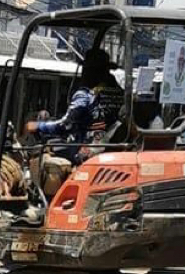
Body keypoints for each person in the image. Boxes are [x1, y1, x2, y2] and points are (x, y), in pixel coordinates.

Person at [24, 47, 125, 196]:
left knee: (45, 152)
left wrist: (38, 126)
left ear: (89, 71)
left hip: (87, 149)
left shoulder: (85, 95)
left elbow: (65, 126)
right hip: (109, 144)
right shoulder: (120, 93)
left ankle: (48, 199)